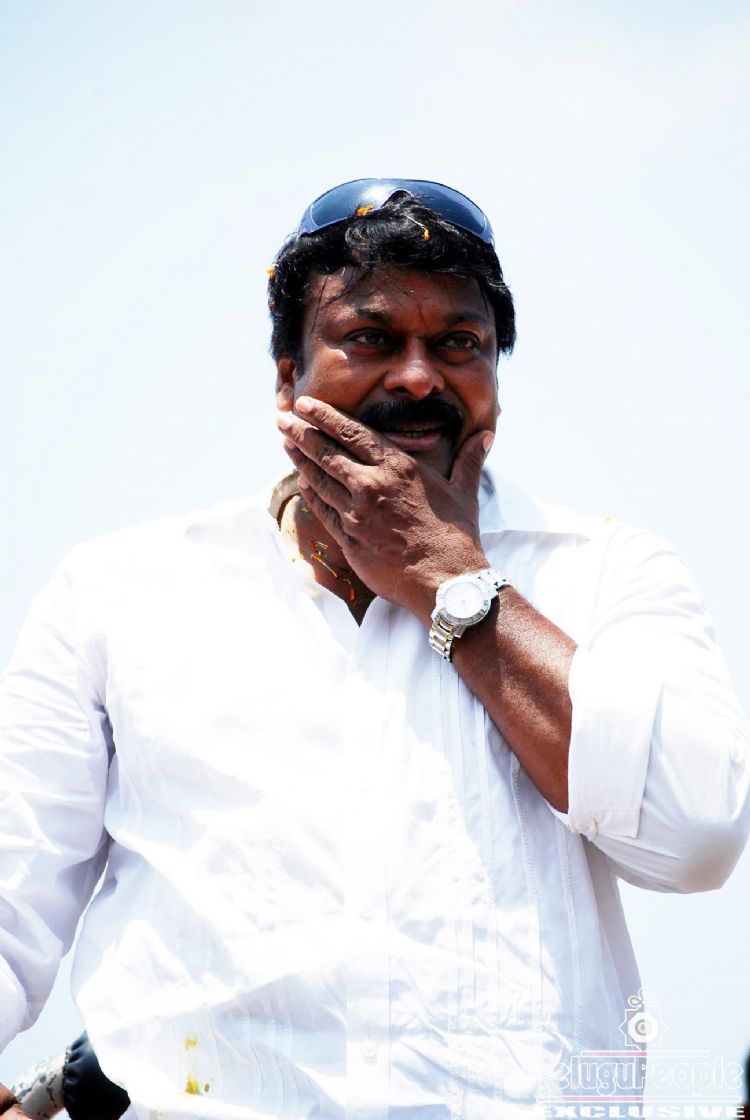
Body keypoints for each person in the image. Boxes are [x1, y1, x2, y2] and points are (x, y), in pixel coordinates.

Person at [1, 178, 749, 1119]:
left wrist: (449, 578)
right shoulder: (118, 593)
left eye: (460, 344)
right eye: (371, 337)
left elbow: (695, 837)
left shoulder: (605, 572)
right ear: (287, 376)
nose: (419, 377)